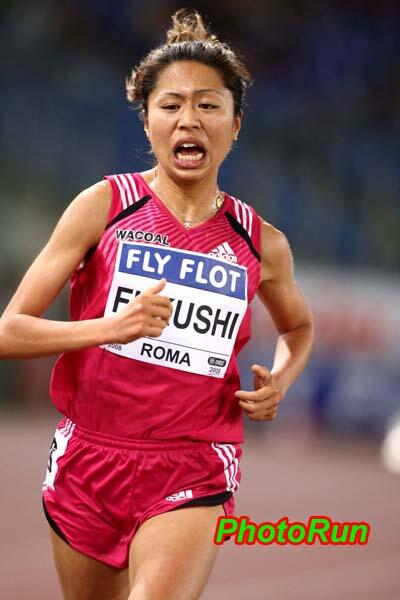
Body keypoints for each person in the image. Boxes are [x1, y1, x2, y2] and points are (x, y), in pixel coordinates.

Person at [0, 9, 314, 600]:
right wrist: (107, 328)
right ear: (147, 123)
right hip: (89, 458)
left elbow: (298, 328)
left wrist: (283, 379)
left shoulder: (261, 242)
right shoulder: (102, 206)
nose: (188, 119)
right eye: (170, 105)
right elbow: (9, 331)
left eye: (208, 105)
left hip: (194, 460)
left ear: (235, 124)